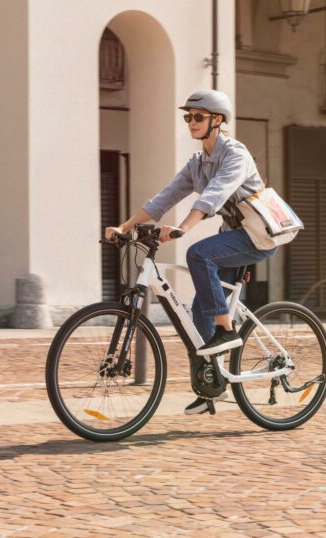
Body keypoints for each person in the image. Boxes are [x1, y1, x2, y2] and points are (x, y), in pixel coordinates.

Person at [104, 89, 278, 415]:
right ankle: (211, 386)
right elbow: (164, 198)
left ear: (217, 120)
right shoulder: (198, 163)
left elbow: (214, 195)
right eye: (188, 117)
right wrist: (125, 227)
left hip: (258, 237)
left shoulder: (235, 155)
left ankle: (227, 331)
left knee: (198, 254)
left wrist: (184, 226)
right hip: (233, 235)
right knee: (198, 311)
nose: (191, 122)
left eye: (198, 117)